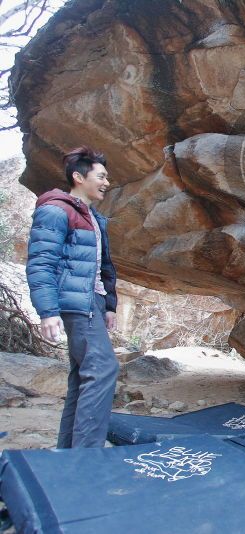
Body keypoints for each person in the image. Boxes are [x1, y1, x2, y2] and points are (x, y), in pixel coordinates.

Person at [26, 146, 119, 448]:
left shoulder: (94, 217)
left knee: (82, 376)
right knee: (103, 369)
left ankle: (68, 452)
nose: (106, 183)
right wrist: (47, 310)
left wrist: (110, 305)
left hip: (91, 303)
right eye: (101, 176)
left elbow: (103, 266)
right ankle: (86, 458)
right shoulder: (56, 210)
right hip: (75, 304)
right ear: (79, 177)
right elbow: (41, 262)